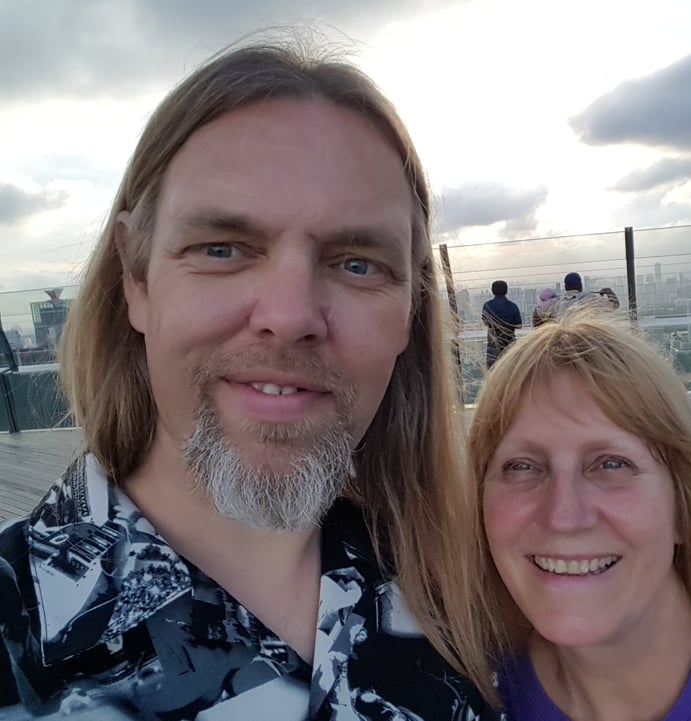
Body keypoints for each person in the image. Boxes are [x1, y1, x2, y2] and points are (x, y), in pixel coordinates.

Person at [0, 40, 495, 719]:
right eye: (223, 249)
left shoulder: (468, 594)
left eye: (357, 264)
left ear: (410, 310)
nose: (290, 317)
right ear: (135, 278)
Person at [462, 311, 691, 719]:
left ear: (684, 507)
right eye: (521, 466)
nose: (564, 517)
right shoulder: (462, 693)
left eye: (611, 464)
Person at [482, 280, 522, 368]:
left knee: (493, 369)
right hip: (509, 340)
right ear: (506, 290)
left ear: (492, 290)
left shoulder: (487, 305)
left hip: (493, 340)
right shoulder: (512, 306)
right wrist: (506, 326)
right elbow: (519, 325)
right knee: (510, 367)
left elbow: (485, 322)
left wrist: (496, 325)